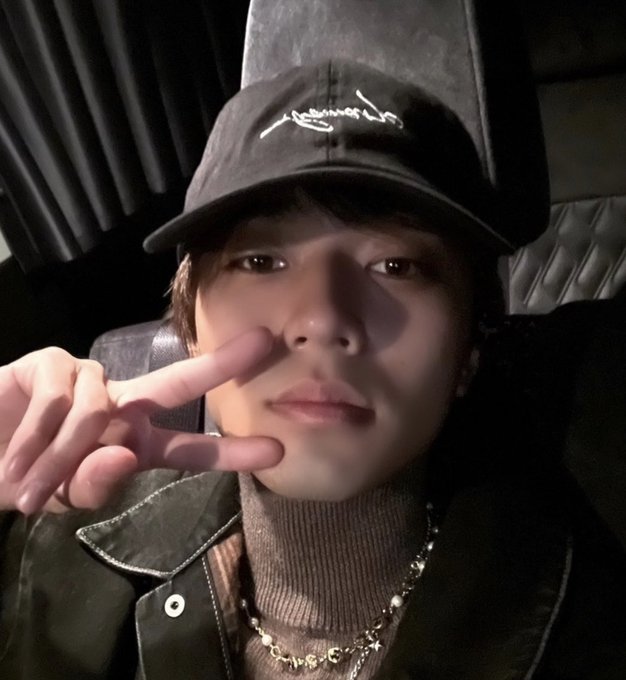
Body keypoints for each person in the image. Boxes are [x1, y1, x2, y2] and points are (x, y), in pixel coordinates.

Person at [0, 59, 625, 680]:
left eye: (396, 267)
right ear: (191, 329)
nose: (324, 318)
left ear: (469, 352)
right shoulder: (53, 541)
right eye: (261, 261)